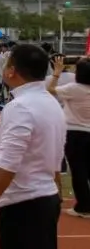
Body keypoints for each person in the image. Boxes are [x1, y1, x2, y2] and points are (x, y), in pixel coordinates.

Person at [0, 43, 66, 249]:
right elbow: (55, 157)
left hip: (23, 203)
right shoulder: (51, 103)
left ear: (11, 71)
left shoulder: (20, 107)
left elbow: (8, 162)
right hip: (43, 197)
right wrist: (58, 194)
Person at [47, 55, 90, 218]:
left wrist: (57, 73)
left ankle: (84, 207)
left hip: (75, 132)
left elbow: (50, 90)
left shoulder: (74, 88)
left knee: (78, 171)